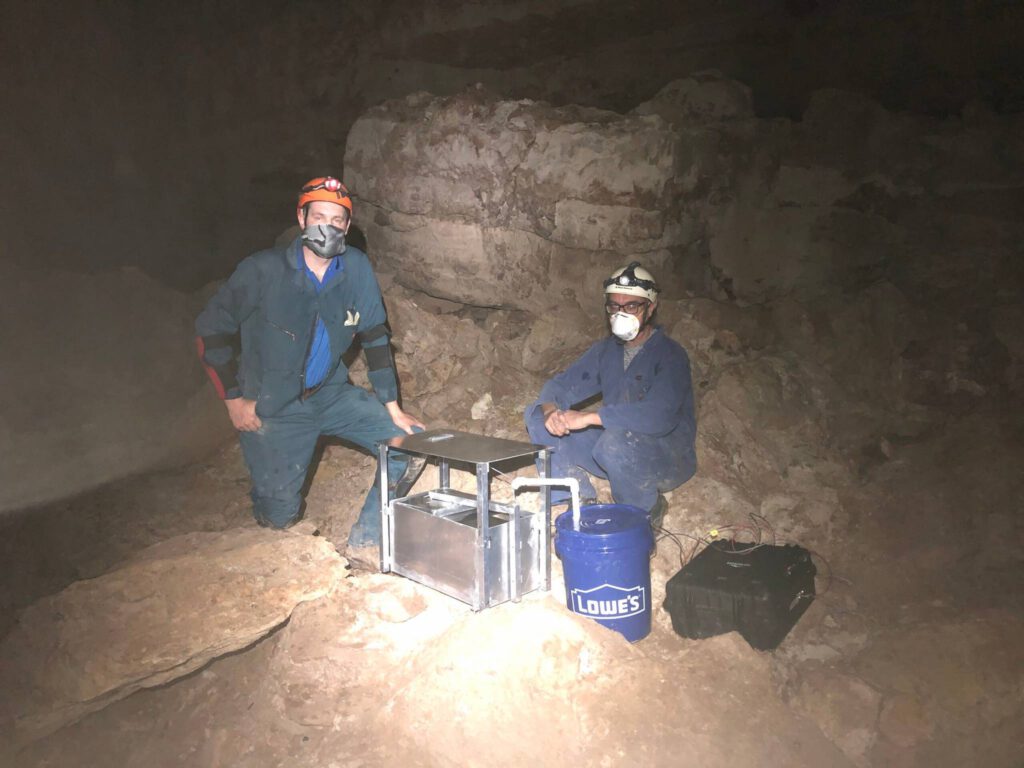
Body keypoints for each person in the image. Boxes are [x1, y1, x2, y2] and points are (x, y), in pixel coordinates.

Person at [195, 176, 424, 548]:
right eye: (319, 216)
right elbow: (210, 330)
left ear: (347, 227)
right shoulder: (263, 270)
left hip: (331, 394)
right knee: (280, 519)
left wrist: (392, 406)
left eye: (337, 220)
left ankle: (367, 543)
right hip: (273, 405)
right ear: (301, 219)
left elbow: (375, 336)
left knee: (409, 445)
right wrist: (234, 400)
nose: (327, 227)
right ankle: (266, 509)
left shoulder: (356, 268)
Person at [524, 262, 697, 526]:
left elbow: (659, 417)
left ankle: (645, 508)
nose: (621, 313)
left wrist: (590, 417)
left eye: (631, 306)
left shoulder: (670, 355)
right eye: (614, 306)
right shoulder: (607, 351)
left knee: (613, 442)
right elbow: (558, 386)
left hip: (665, 456)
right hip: (613, 451)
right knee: (537, 416)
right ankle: (575, 498)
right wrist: (551, 412)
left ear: (651, 308)